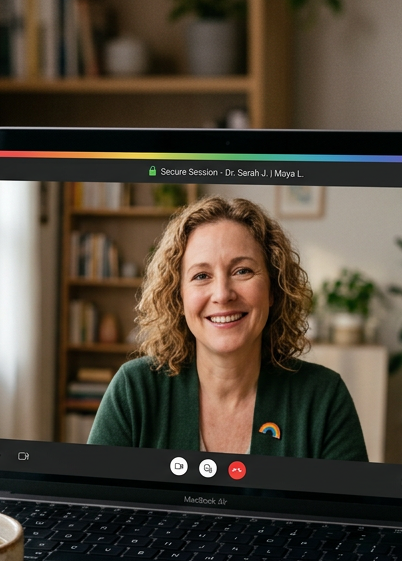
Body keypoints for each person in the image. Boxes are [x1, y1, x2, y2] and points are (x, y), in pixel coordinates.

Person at [88, 196, 368, 461]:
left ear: (273, 288)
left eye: (242, 271)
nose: (222, 294)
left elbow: (351, 511)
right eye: (201, 276)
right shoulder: (134, 390)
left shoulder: (324, 398)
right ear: (179, 296)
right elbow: (92, 504)